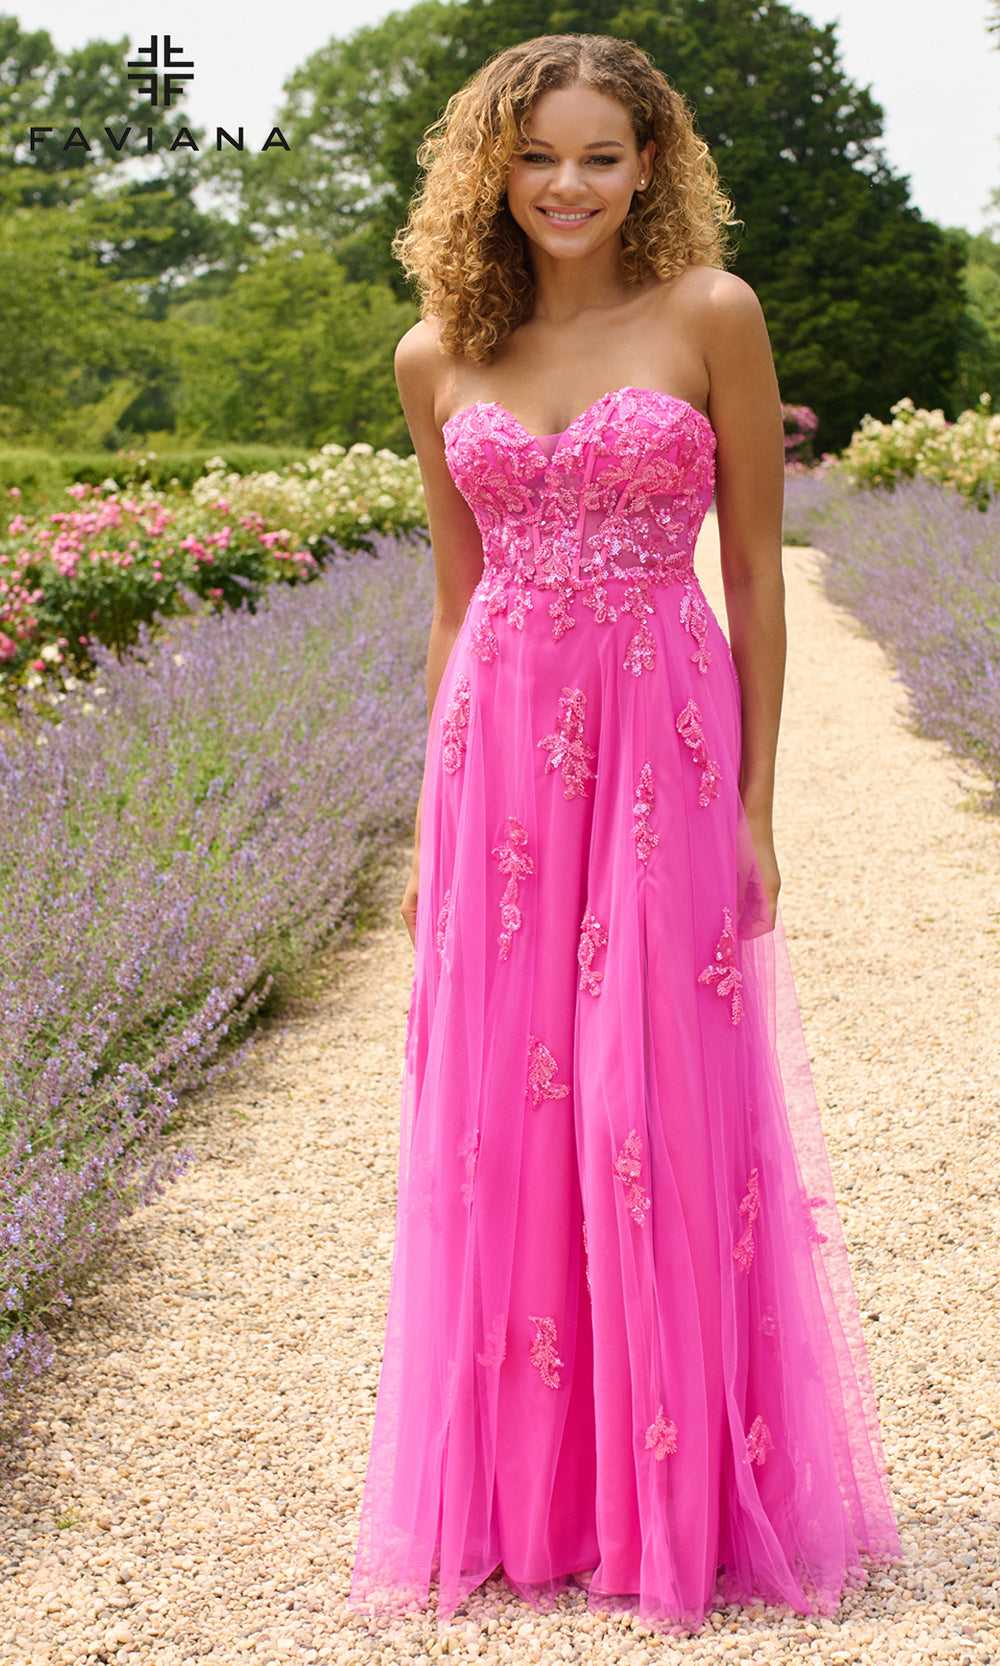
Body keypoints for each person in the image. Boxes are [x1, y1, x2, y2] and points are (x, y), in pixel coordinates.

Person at [350, 33, 899, 1633]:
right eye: (540, 157)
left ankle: (673, 1499)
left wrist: (759, 803)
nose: (569, 184)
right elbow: (455, 605)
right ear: (493, 171)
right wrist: (422, 833)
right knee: (502, 1125)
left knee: (640, 1113)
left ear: (649, 164)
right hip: (501, 764)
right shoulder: (436, 350)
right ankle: (540, 1497)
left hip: (663, 735)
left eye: (601, 155)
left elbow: (754, 580)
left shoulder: (712, 314)